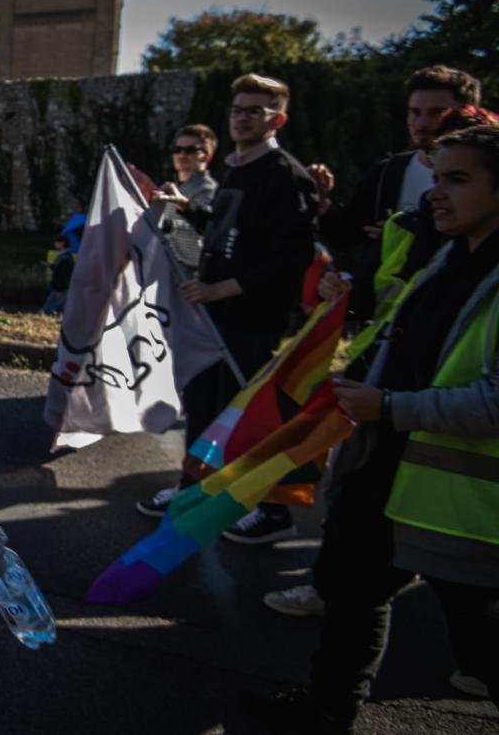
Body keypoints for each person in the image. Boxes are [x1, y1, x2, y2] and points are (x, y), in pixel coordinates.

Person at [244, 125, 499, 733]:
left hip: (457, 505)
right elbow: (404, 337)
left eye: (457, 179)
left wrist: (388, 405)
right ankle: (328, 709)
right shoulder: (448, 257)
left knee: (479, 635)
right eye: (436, 178)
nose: (435, 193)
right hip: (385, 469)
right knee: (350, 589)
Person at [136, 74, 320, 547]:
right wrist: (187, 209)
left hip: (252, 319)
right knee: (204, 407)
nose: (242, 118)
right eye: (237, 109)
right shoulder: (238, 168)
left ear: (277, 119)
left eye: (254, 111)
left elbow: (293, 256)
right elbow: (225, 230)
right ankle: (192, 490)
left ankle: (273, 510)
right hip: (212, 316)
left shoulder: (284, 174)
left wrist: (222, 289)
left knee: (250, 415)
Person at [308, 65, 481, 321]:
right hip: (387, 320)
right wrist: (321, 202)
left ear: (467, 113)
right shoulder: (389, 172)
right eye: (415, 112)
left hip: (456, 312)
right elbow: (346, 234)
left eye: (437, 112)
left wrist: (411, 238)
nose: (422, 123)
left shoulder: (484, 177)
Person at [151, 124, 220, 279]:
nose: (182, 155)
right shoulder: (172, 187)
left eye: (190, 150)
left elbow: (201, 232)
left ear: (206, 156)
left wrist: (166, 225)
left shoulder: (209, 190)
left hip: (192, 277)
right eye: (178, 149)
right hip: (166, 271)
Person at [43, 233, 75, 316]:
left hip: (60, 289)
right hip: (63, 288)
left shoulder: (65, 258)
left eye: (57, 242)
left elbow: (63, 275)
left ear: (62, 243)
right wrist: (51, 265)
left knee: (48, 310)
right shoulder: (65, 256)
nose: (55, 244)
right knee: (61, 311)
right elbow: (61, 270)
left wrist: (59, 290)